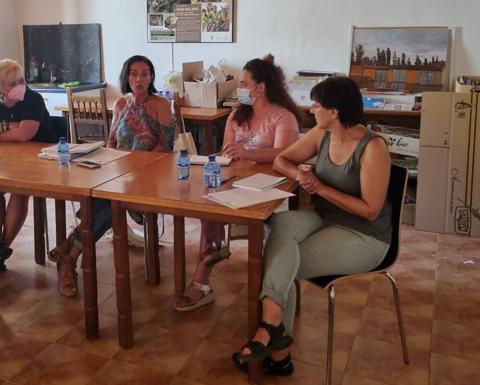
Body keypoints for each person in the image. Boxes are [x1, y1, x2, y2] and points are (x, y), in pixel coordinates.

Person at [232, 76, 391, 376]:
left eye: (317, 104)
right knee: (279, 223)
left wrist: (318, 187)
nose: (311, 108)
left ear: (335, 112)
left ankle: (276, 346)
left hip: (365, 235)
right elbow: (281, 160)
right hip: (326, 218)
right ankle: (275, 333)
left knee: (284, 262)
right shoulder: (323, 134)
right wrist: (300, 174)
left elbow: (370, 211)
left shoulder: (373, 148)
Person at [174, 54, 301, 312]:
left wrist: (248, 153)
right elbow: (227, 152)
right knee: (206, 206)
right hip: (235, 183)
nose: (239, 88)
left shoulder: (283, 117)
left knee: (262, 230)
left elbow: (284, 155)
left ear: (260, 88)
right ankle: (203, 278)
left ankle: (269, 291)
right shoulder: (236, 116)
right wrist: (231, 157)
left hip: (270, 188)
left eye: (243, 83)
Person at [48, 55, 174, 297]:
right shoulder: (120, 104)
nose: (139, 79)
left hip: (148, 175)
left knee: (109, 203)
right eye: (134, 74)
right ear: (127, 77)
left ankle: (70, 252)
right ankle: (70, 256)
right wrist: (108, 165)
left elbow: (165, 146)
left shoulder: (160, 105)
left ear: (151, 77)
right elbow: (111, 143)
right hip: (118, 174)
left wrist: (134, 166)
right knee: (102, 197)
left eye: (145, 74)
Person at [0, 58, 56, 271]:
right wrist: (6, 126)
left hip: (41, 161)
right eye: (12, 83)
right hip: (7, 161)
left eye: (21, 81)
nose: (19, 87)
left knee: (19, 191)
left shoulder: (32, 99)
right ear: (0, 88)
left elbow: (25, 135)